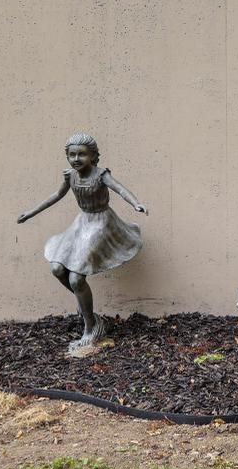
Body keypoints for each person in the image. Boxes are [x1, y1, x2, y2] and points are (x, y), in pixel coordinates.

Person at [17, 133, 148, 355]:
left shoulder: (101, 175)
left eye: (82, 154)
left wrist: (136, 203)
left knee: (77, 278)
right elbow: (55, 196)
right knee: (57, 268)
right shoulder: (70, 176)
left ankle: (90, 328)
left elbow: (120, 189)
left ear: (93, 156)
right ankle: (86, 307)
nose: (76, 159)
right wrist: (30, 213)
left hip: (100, 223)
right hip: (82, 222)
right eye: (72, 154)